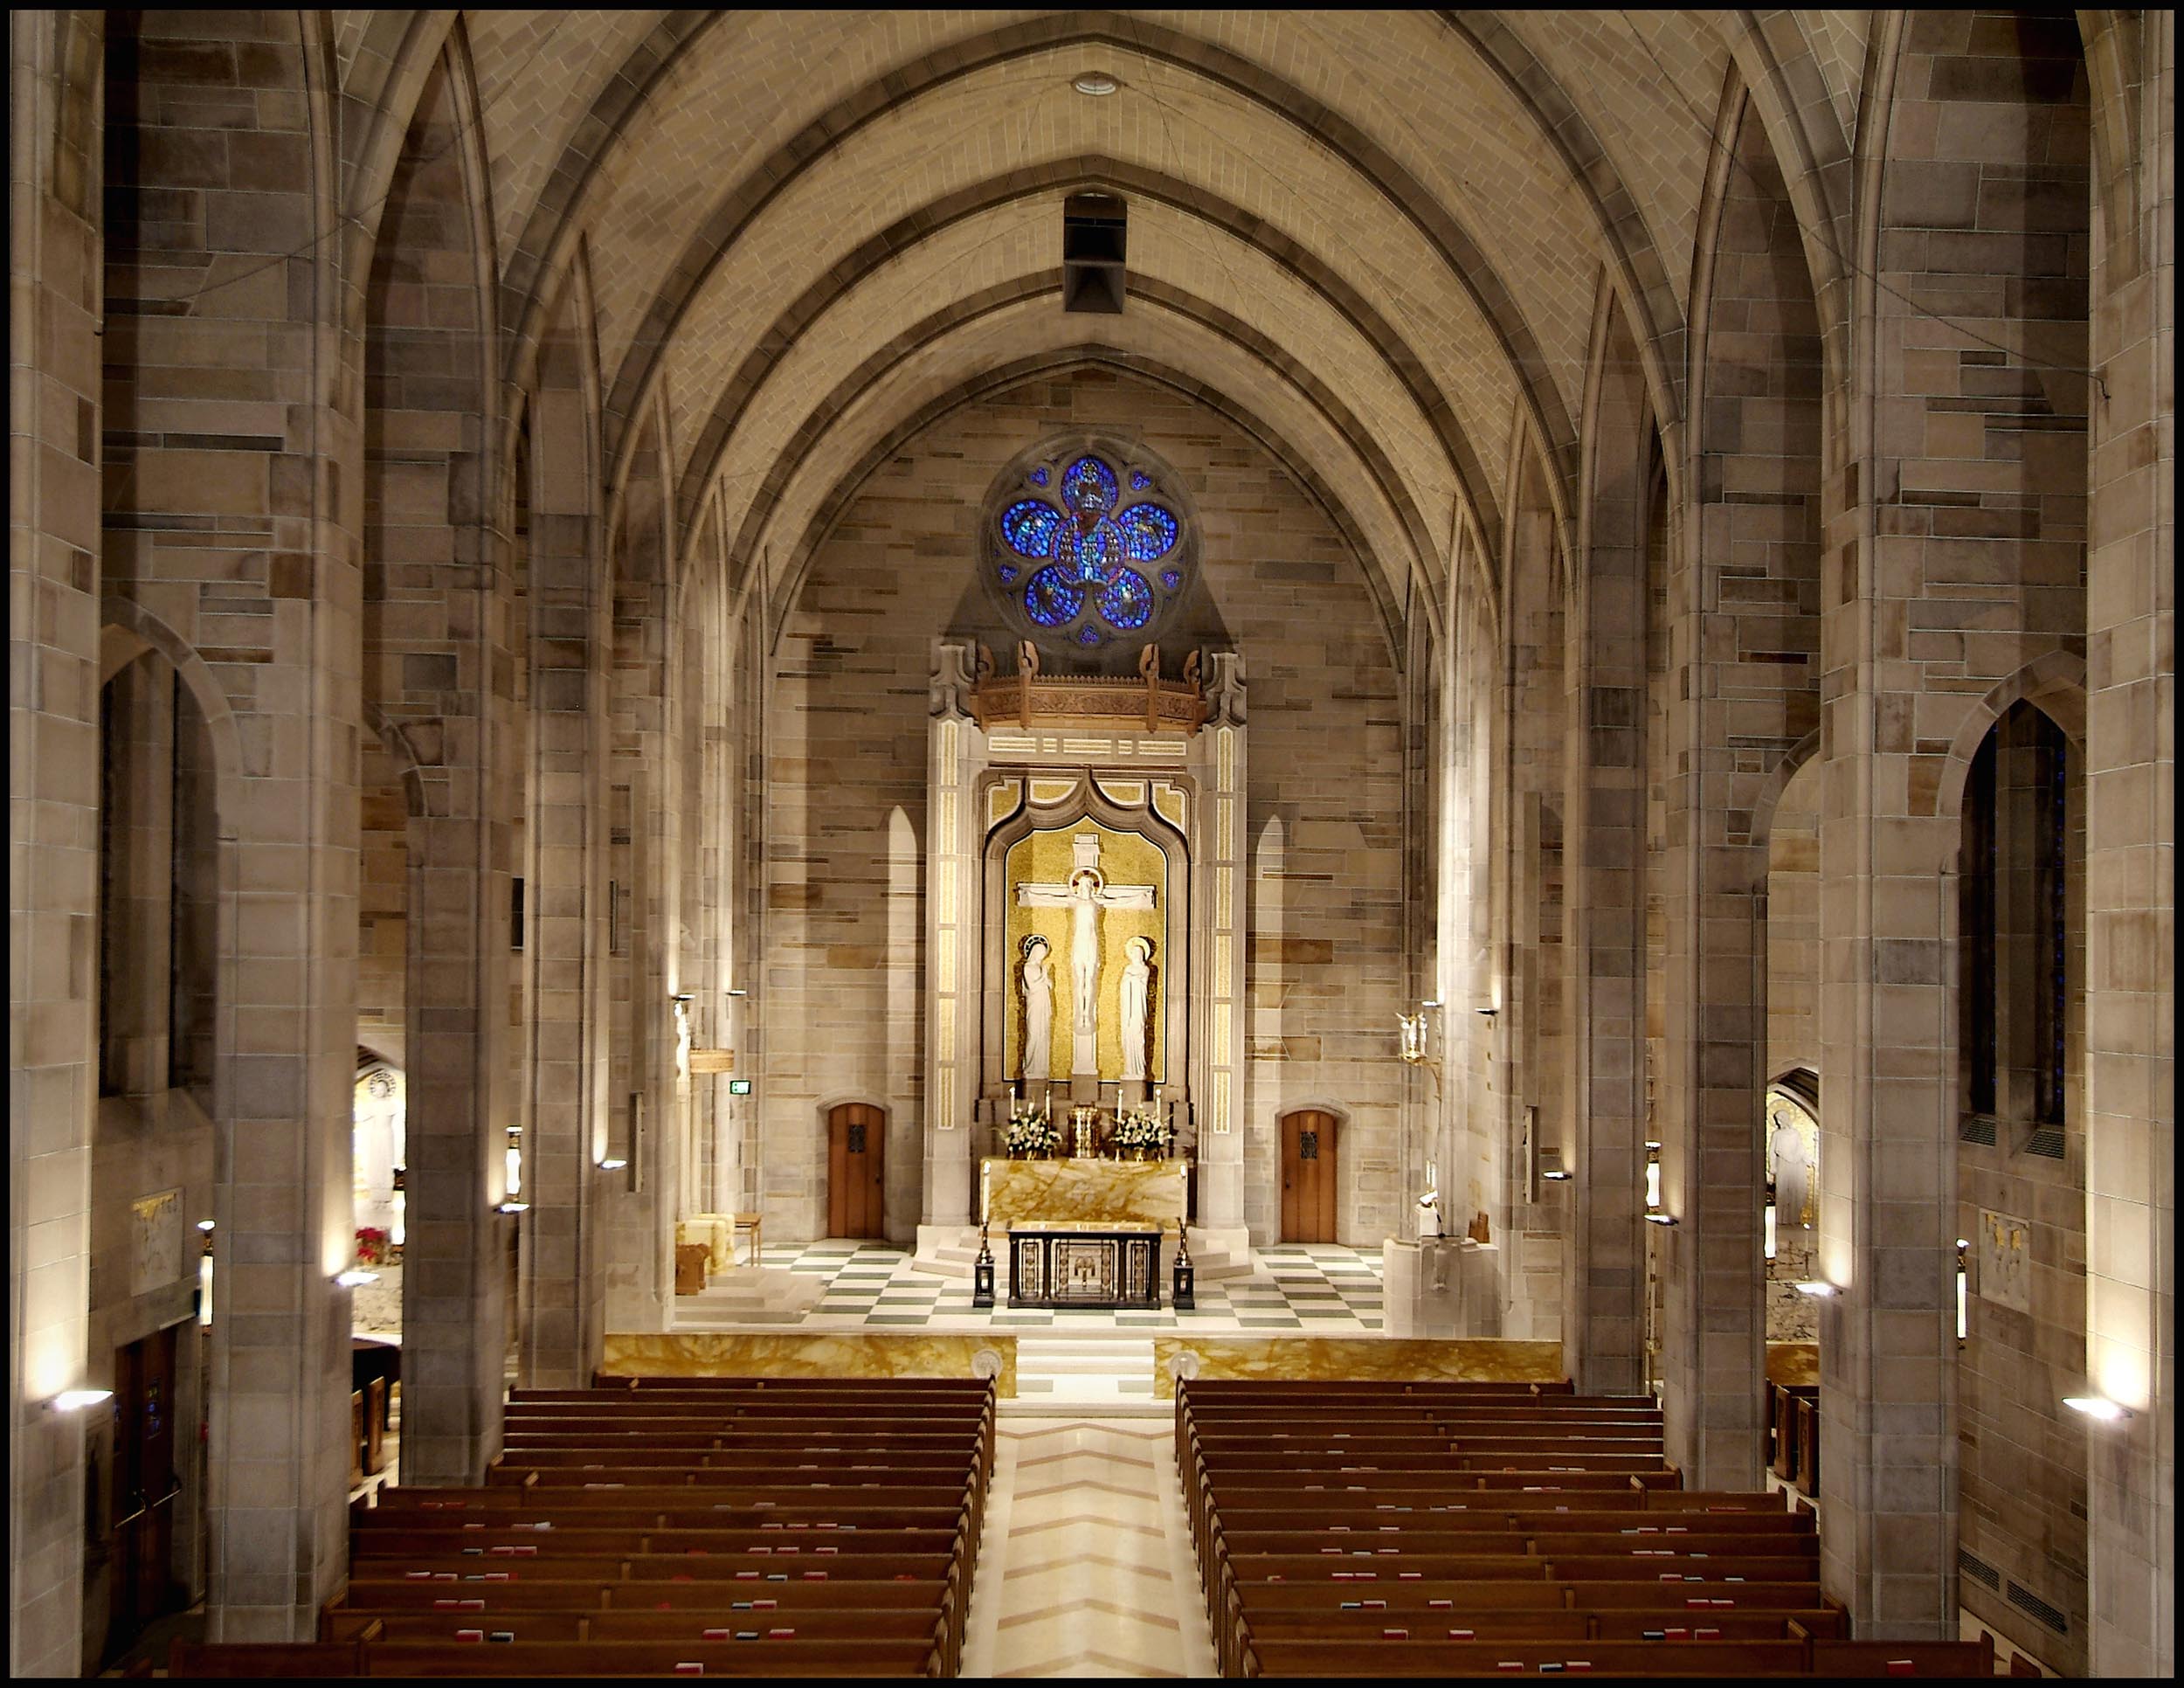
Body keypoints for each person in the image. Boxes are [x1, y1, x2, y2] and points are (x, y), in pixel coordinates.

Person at [1020, 934, 1054, 1082]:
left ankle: (1040, 1068)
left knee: (1043, 1035)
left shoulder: (1041, 968)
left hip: (1043, 1004)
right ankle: (1030, 1067)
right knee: (1033, 1035)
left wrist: (1046, 977)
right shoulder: (1028, 967)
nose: (1042, 956)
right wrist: (1044, 976)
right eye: (1040, 953)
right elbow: (1032, 986)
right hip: (1034, 1004)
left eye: (1044, 953)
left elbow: (1050, 985)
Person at [1118, 936, 1152, 1081]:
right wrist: (1130, 979)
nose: (1137, 956)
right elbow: (1124, 984)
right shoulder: (1128, 969)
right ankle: (1130, 1067)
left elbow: (1141, 981)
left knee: (1138, 1033)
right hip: (1129, 1008)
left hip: (1138, 1006)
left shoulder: (1144, 969)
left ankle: (1139, 1067)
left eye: (1140, 953)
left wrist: (1132, 978)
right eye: (1135, 953)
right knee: (1128, 1034)